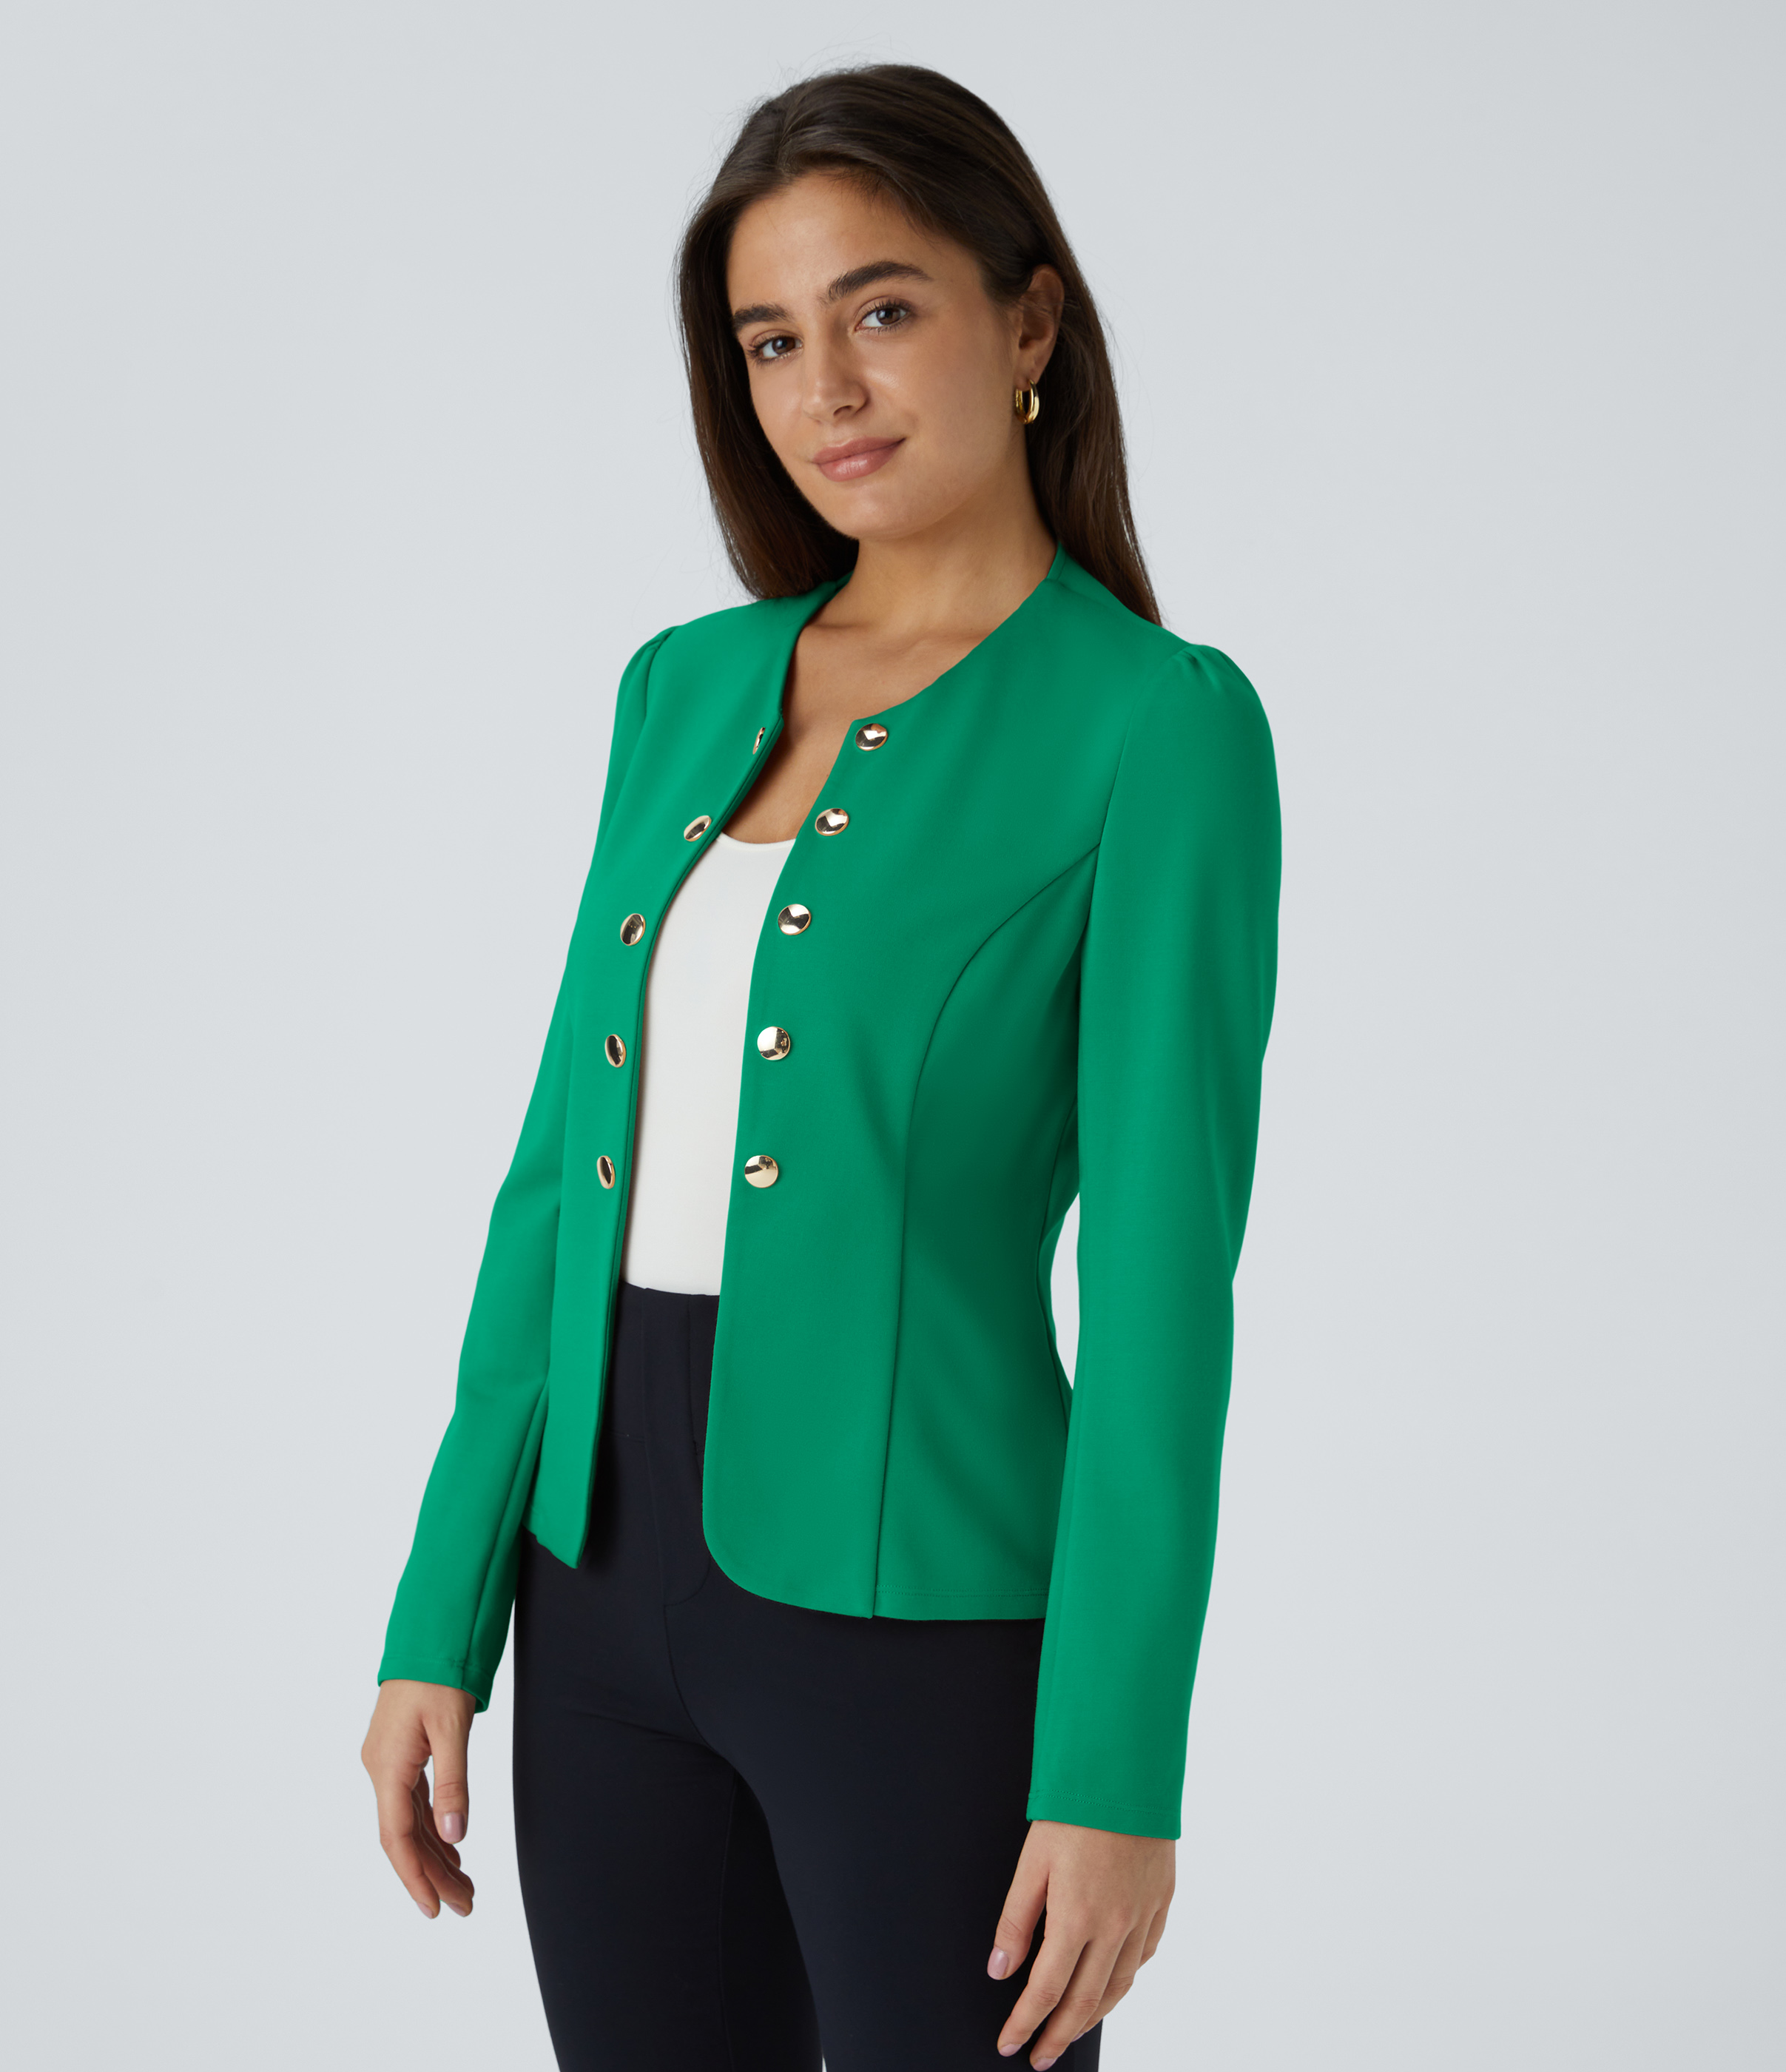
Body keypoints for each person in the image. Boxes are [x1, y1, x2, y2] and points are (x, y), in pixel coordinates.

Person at [360, 61, 1280, 2072]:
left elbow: (1162, 1299)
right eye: (771, 339)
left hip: (924, 1632)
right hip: (593, 1606)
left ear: (1029, 325)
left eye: (883, 309)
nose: (827, 388)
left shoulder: (1158, 725)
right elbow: (555, 1185)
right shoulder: (682, 686)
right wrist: (439, 1620)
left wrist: (1117, 1769)